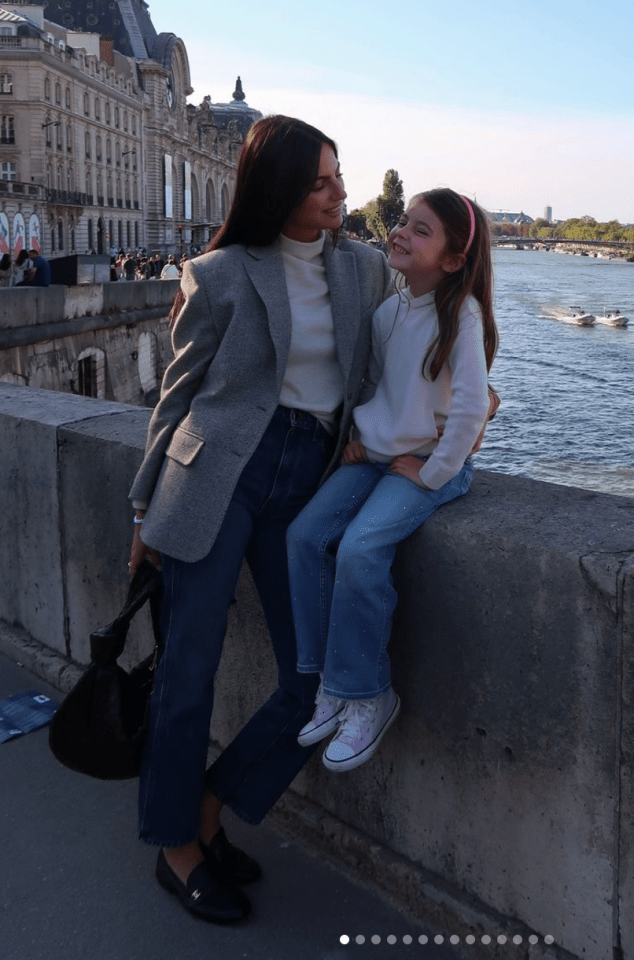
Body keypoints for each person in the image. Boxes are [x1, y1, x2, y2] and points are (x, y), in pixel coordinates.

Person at [127, 115, 392, 924]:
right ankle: (177, 851)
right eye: (320, 182)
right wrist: (142, 508)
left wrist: (463, 407)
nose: (340, 193)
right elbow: (176, 397)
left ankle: (210, 808)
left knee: (313, 682)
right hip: (216, 476)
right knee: (188, 672)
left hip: (306, 477)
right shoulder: (221, 273)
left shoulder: (366, 271)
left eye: (340, 175)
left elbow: (410, 352)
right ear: (277, 188)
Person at [287, 188, 499, 773]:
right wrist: (363, 433)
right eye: (404, 222)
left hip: (428, 467)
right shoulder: (390, 311)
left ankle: (368, 693)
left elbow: (470, 410)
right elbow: (380, 386)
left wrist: (432, 472)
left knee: (359, 547)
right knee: (304, 537)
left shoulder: (463, 315)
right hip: (380, 456)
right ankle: (331, 680)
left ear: (454, 261)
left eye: (421, 230)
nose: (402, 232)